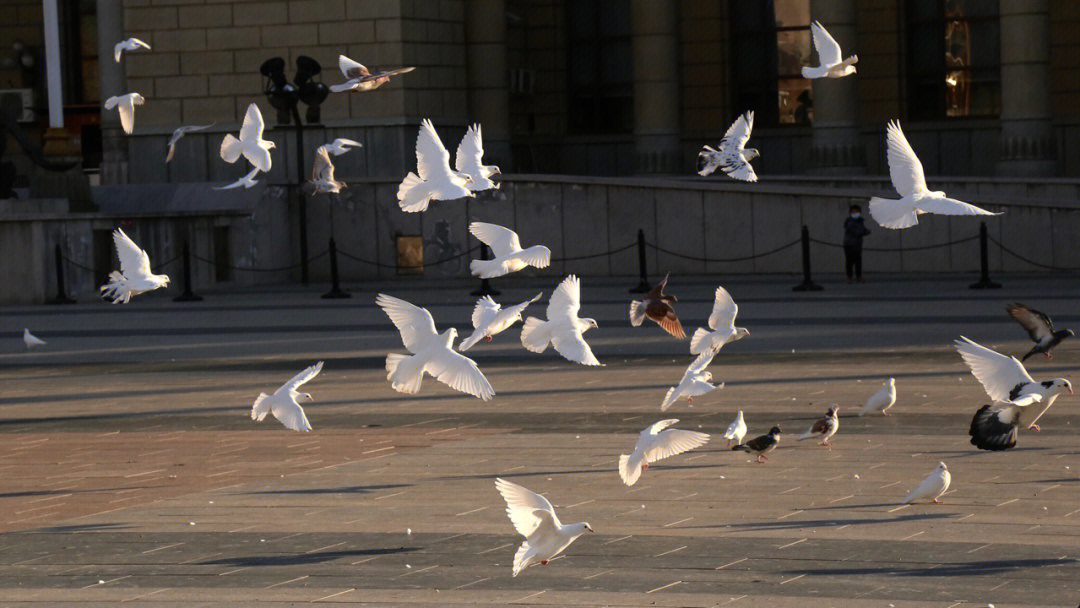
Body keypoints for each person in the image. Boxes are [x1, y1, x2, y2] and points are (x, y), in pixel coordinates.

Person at [843, 204, 871, 283]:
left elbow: (863, 230)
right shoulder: (849, 221)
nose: (855, 213)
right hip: (849, 244)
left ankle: (859, 277)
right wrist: (864, 232)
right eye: (853, 211)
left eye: (856, 211)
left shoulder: (860, 221)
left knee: (858, 261)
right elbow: (856, 231)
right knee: (849, 261)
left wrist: (866, 231)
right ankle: (849, 277)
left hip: (857, 244)